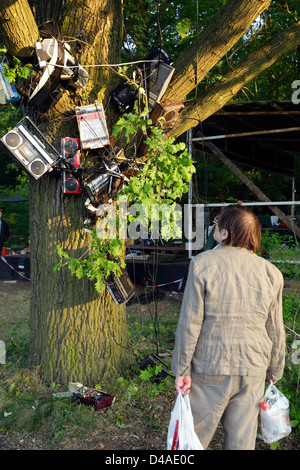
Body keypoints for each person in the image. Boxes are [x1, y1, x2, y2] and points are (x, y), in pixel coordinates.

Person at [171, 204, 285, 450]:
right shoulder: (272, 273)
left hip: (210, 366)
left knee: (193, 439)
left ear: (225, 233)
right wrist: (275, 370)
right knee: (242, 443)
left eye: (217, 222)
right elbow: (275, 327)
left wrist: (182, 368)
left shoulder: (203, 263)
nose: (214, 225)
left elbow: (190, 321)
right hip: (253, 368)